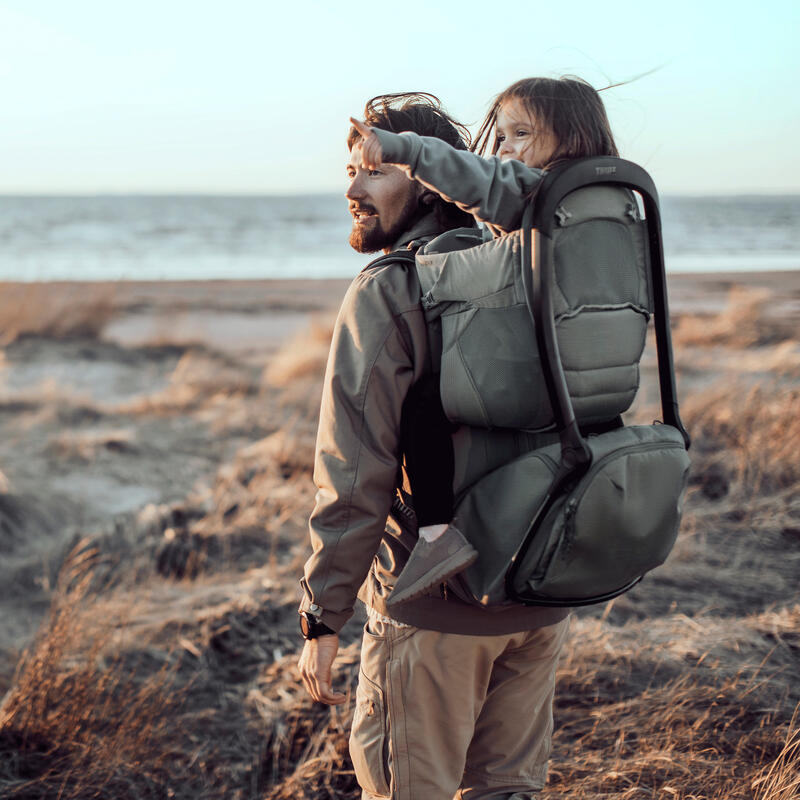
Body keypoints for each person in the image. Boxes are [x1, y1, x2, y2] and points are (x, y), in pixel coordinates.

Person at [297, 89, 571, 800]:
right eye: (348, 170)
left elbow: (354, 474)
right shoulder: (529, 266)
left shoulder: (389, 290)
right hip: (537, 600)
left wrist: (322, 614)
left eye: (374, 170)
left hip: (434, 607)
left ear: (430, 177)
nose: (352, 190)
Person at [350, 76, 621, 607]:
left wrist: (402, 151)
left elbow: (470, 177)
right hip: (600, 388)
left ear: (572, 140)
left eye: (519, 134)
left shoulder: (536, 195)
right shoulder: (620, 205)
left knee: (426, 403)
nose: (501, 149)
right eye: (498, 135)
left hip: (528, 387)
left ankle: (435, 537)